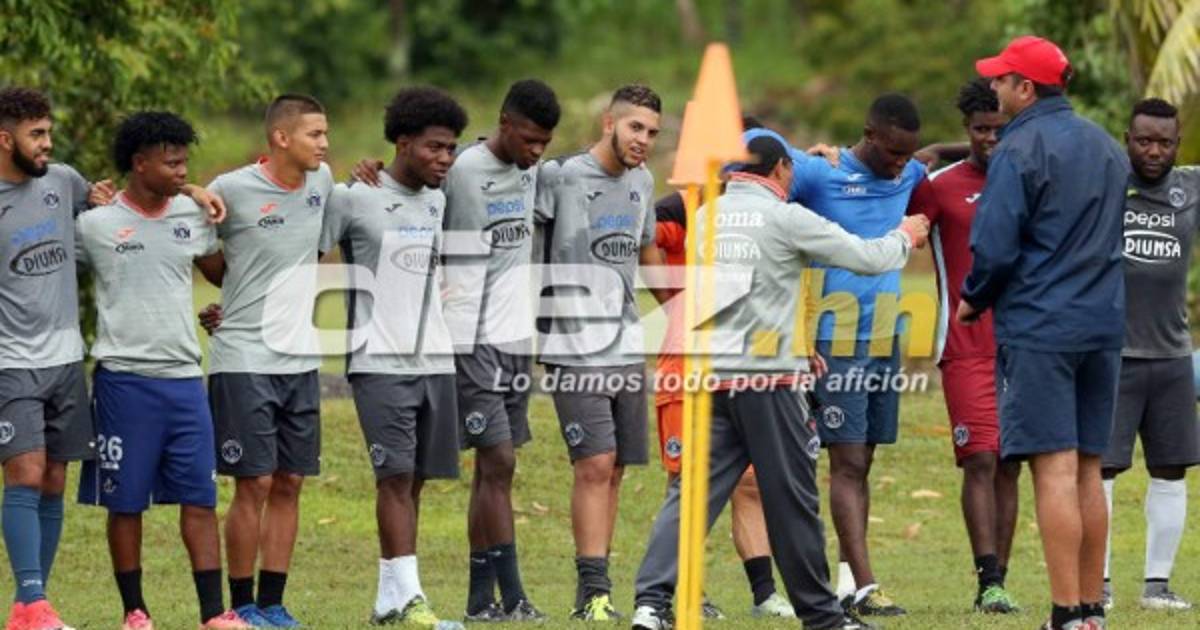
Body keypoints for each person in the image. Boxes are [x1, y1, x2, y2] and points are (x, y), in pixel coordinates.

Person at [629, 134, 929, 630]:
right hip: (769, 382)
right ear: (782, 169)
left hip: (713, 379)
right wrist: (904, 234)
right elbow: (866, 258)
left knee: (691, 496)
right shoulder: (785, 217)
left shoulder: (706, 218)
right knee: (793, 499)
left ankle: (650, 605)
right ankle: (824, 618)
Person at [353, 80, 560, 623]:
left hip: (512, 337)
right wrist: (370, 171)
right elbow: (403, 201)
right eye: (530, 139)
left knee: (494, 468)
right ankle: (511, 595)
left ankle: (478, 598)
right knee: (497, 458)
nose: (537, 151)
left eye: (545, 143)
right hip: (466, 338)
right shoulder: (460, 172)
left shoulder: (533, 170)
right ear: (505, 124)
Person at [963, 35, 1129, 630]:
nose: (994, 87)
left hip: (1041, 327)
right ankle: (1092, 611)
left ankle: (1065, 613)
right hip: (1103, 325)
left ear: (1026, 88)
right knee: (1088, 468)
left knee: (1054, 468)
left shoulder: (1018, 146)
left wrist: (974, 298)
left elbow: (996, 245)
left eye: (1001, 78)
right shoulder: (1107, 145)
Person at [747, 94, 926, 617]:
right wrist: (801, 149)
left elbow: (934, 155)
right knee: (845, 460)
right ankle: (864, 586)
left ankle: (849, 580)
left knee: (863, 459)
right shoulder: (819, 173)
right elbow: (753, 147)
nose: (900, 165)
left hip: (884, 336)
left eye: (906, 155)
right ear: (869, 136)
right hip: (833, 339)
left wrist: (995, 137)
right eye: (892, 153)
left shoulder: (909, 170)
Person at [75, 111, 249, 630]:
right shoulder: (95, 225)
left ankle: (214, 614)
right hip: (123, 382)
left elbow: (223, 275)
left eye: (184, 162)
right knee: (126, 503)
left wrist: (226, 310)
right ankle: (135, 611)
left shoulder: (192, 214)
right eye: (171, 163)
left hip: (185, 382)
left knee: (200, 498)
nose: (182, 170)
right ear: (139, 163)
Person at [318, 86, 468, 627]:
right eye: (435, 147)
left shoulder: (437, 200)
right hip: (378, 363)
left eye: (450, 149)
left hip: (435, 360)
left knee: (415, 480)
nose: (445, 159)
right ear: (403, 143)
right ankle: (412, 600)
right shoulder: (354, 197)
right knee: (395, 479)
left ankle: (390, 598)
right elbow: (304, 256)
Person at [198, 94, 335, 628]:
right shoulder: (231, 188)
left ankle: (274, 603)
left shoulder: (323, 184)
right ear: (281, 137)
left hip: (299, 357)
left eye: (326, 134)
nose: (325, 144)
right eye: (314, 134)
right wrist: (231, 296)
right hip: (243, 357)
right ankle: (242, 603)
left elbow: (312, 254)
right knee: (252, 482)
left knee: (289, 481)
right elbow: (203, 249)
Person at [534, 84, 667, 621]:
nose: (643, 140)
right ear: (609, 122)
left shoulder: (643, 181)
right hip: (571, 345)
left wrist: (684, 312)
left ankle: (599, 589)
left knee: (615, 470)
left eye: (652, 132)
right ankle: (592, 592)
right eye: (636, 127)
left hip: (626, 345)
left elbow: (647, 251)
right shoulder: (559, 176)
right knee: (594, 463)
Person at [906, 78, 1021, 613]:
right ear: (967, 129)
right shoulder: (938, 187)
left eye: (1000, 129)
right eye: (980, 130)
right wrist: (939, 152)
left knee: (1010, 463)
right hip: (964, 344)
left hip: (1024, 343)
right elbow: (904, 218)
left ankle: (1002, 582)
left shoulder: (1028, 179)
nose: (991, 139)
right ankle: (987, 579)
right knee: (980, 458)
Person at [1100, 97, 1200, 611]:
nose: (1153, 151)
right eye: (1143, 141)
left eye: (1164, 142)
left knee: (1171, 469)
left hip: (1173, 356)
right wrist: (942, 151)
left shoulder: (1190, 187)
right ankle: (1098, 584)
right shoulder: (1106, 181)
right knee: (1101, 471)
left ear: (1178, 144)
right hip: (1112, 356)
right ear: (1127, 140)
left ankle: (1157, 587)